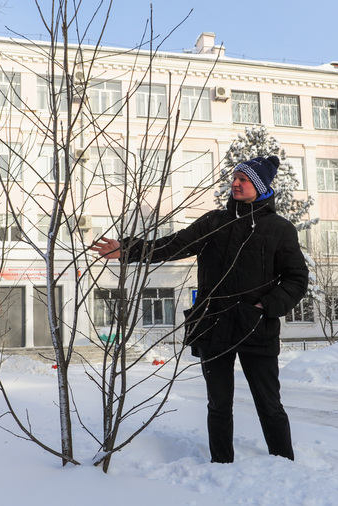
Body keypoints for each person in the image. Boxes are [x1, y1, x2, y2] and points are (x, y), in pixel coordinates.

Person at [90, 155, 309, 463]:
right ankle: (221, 464)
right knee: (218, 404)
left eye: (243, 179)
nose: (235, 183)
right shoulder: (214, 222)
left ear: (259, 187)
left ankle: (284, 463)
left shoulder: (279, 229)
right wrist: (128, 249)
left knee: (269, 403)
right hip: (213, 326)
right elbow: (172, 245)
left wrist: (266, 305)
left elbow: (296, 279)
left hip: (256, 326)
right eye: (234, 178)